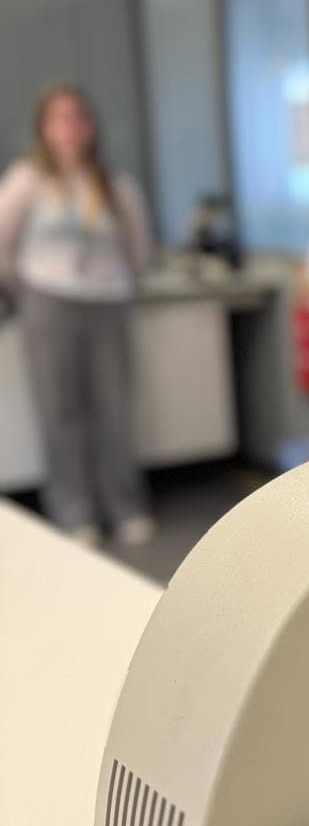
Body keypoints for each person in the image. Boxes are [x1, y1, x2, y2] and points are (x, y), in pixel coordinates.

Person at [0, 84, 155, 547]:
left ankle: (124, 506)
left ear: (91, 127)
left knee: (114, 408)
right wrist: (26, 286)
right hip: (49, 303)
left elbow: (137, 246)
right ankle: (74, 513)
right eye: (59, 119)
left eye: (78, 118)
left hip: (108, 302)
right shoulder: (27, 179)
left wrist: (122, 279)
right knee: (62, 411)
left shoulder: (113, 182)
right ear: (44, 129)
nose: (70, 128)